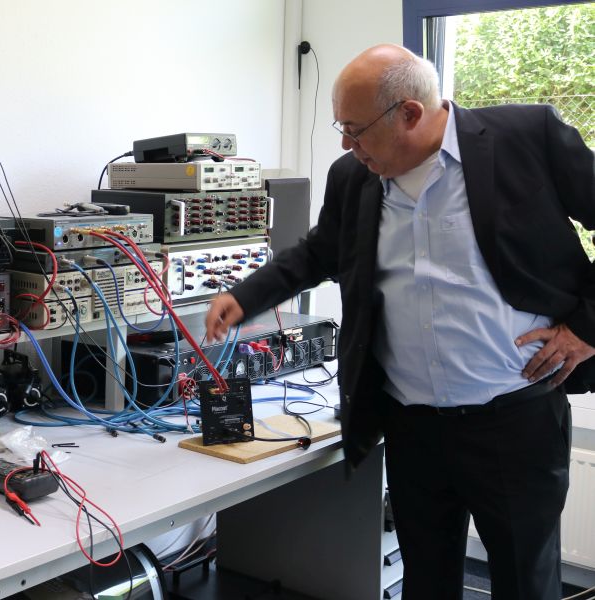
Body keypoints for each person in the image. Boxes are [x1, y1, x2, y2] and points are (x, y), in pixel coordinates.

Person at [205, 44, 595, 599]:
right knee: (427, 583)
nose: (345, 144)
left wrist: (586, 328)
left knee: (525, 584)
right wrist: (246, 295)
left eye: (354, 128)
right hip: (414, 425)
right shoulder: (354, 177)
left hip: (515, 422)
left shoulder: (525, 138)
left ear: (409, 114)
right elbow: (319, 253)